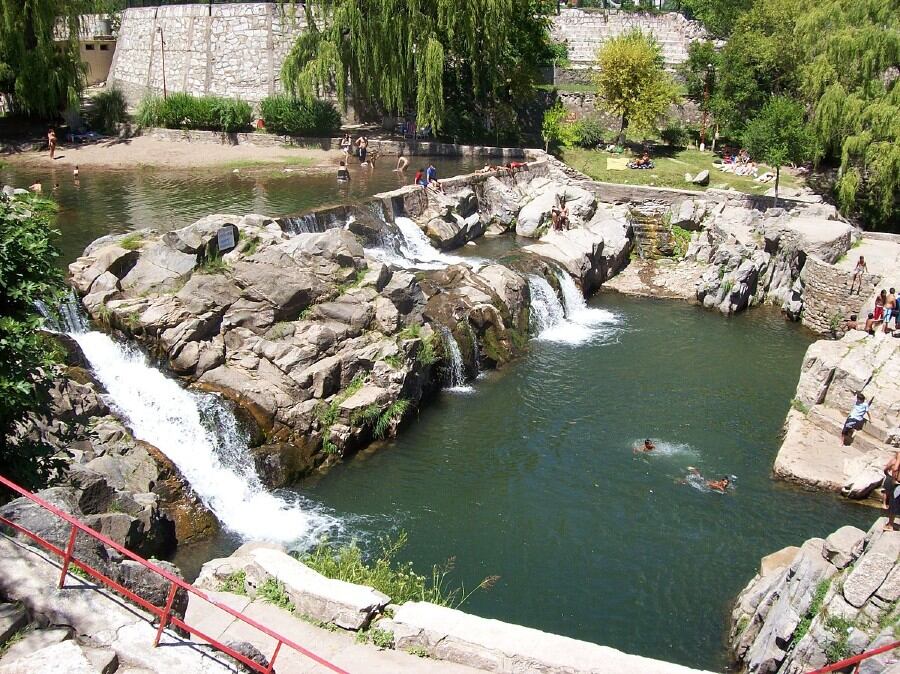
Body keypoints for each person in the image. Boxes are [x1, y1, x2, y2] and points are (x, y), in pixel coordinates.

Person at [882, 451, 900, 531]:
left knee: (893, 503)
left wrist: (893, 480)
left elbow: (895, 468)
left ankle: (890, 525)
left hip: (898, 483)